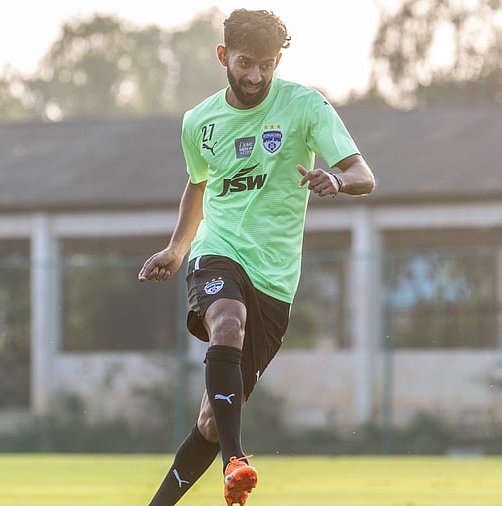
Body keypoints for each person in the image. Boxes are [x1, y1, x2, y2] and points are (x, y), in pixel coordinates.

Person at [137, 8, 375, 506]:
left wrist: (336, 179)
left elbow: (363, 173)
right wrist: (178, 249)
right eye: (245, 62)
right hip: (218, 250)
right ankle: (236, 462)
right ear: (224, 56)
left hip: (275, 279)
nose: (256, 75)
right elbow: (198, 185)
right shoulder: (198, 122)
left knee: (209, 421)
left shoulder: (306, 107)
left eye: (267, 64)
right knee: (227, 321)